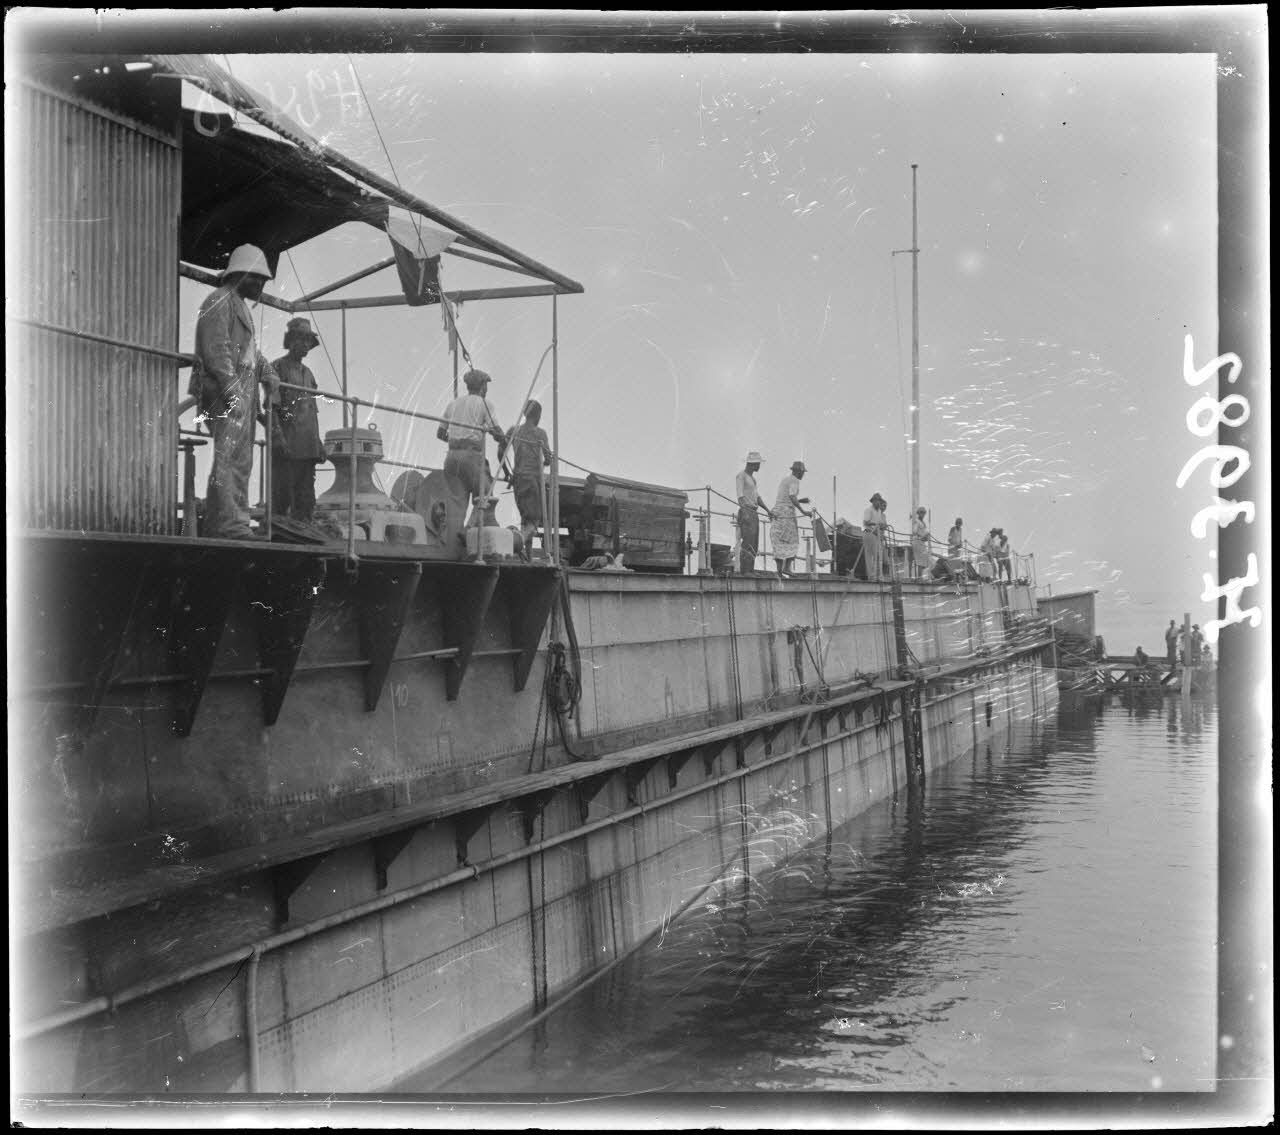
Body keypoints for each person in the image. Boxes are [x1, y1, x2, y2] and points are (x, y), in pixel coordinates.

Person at [190, 243, 279, 538]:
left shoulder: (238, 305)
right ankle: (230, 524)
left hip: (241, 392)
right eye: (257, 278)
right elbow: (216, 350)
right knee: (230, 460)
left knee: (239, 460)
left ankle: (227, 521)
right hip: (224, 391)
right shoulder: (219, 301)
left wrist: (269, 373)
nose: (261, 284)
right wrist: (231, 391)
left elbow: (249, 353)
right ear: (241, 274)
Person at [269, 317, 326, 521]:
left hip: (308, 447)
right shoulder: (277, 367)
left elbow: (312, 411)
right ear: (291, 341)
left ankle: (304, 531)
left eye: (308, 341)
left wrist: (318, 443)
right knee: (282, 497)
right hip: (287, 444)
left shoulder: (308, 374)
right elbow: (271, 406)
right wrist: (277, 436)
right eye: (301, 339)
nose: (305, 345)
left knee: (306, 500)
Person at [437, 369, 507, 509]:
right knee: (486, 498)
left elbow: (440, 433)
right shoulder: (485, 404)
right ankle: (476, 522)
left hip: (451, 458)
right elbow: (497, 433)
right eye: (486, 385)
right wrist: (503, 440)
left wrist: (457, 440)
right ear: (482, 386)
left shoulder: (453, 404)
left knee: (454, 505)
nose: (487, 389)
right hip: (471, 458)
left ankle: (455, 523)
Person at [505, 399, 552, 557]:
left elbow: (500, 452)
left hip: (518, 480)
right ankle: (515, 542)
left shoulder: (514, 431)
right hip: (532, 480)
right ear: (538, 415)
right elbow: (549, 458)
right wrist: (544, 463)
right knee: (534, 522)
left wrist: (507, 472)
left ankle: (529, 556)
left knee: (525, 518)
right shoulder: (540, 433)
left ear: (525, 413)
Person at [735, 451, 774, 575]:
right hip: (746, 510)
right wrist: (744, 512)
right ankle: (745, 570)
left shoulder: (753, 479)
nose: (759, 466)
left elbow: (757, 497)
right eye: (758, 464)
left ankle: (750, 569)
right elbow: (740, 496)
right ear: (752, 464)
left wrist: (767, 510)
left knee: (754, 542)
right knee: (747, 541)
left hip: (753, 511)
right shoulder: (741, 476)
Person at [771, 461, 811, 576]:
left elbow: (786, 497)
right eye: (802, 472)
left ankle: (779, 571)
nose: (803, 474)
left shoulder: (786, 480)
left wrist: (801, 500)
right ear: (798, 472)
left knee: (779, 540)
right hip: (787, 513)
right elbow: (792, 496)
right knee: (792, 540)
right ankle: (787, 568)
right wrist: (803, 511)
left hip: (778, 511)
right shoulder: (795, 481)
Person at [862, 493, 889, 581]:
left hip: (877, 534)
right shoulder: (868, 510)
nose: (878, 502)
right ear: (873, 501)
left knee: (878, 555)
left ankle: (878, 575)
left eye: (879, 501)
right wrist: (876, 524)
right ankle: (871, 576)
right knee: (871, 556)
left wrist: (883, 526)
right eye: (876, 501)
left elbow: (881, 524)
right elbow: (866, 522)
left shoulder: (879, 512)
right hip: (869, 533)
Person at [911, 507, 932, 580]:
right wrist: (922, 536)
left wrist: (926, 536)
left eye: (924, 513)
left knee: (924, 561)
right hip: (917, 542)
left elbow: (924, 532)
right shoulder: (917, 521)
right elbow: (914, 532)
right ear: (918, 513)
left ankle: (920, 577)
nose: (923, 514)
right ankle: (919, 578)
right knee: (920, 561)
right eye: (921, 512)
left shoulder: (923, 523)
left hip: (922, 542)